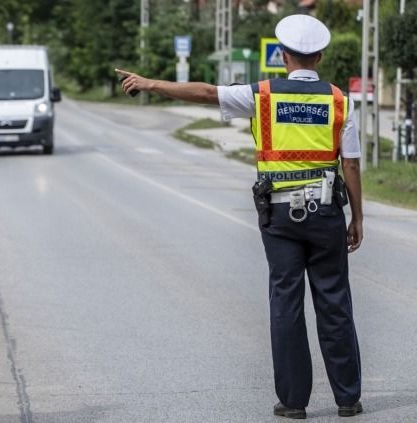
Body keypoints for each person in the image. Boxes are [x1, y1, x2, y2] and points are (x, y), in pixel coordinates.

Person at [117, 14, 363, 419]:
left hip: (280, 218)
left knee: (286, 303)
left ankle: (294, 402)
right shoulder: (339, 100)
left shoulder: (261, 95)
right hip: (327, 215)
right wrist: (357, 217)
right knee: (334, 301)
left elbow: (205, 93)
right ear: (319, 56)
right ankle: (348, 399)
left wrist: (150, 83)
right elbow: (350, 165)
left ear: (283, 56)